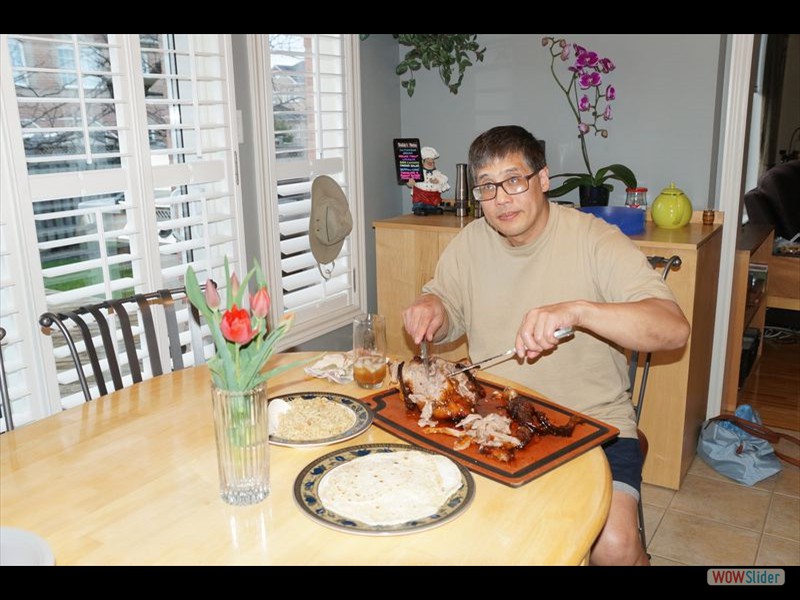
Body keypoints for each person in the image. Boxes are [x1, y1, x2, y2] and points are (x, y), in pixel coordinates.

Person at [402, 125, 690, 566]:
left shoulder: (595, 239)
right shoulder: (470, 243)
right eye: (487, 187)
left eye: (514, 180)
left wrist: (578, 310)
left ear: (542, 180)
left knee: (613, 548)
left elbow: (673, 329)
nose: (501, 198)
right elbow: (447, 310)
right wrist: (432, 308)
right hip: (493, 420)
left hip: (594, 425)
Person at [407, 146, 450, 215]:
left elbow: (444, 178)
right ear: (423, 162)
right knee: (419, 204)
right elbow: (410, 181)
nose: (431, 163)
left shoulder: (437, 173)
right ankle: (418, 209)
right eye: (428, 162)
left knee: (433, 206)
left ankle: (432, 209)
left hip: (432, 196)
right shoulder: (417, 172)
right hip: (420, 195)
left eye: (432, 162)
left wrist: (438, 180)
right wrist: (410, 182)